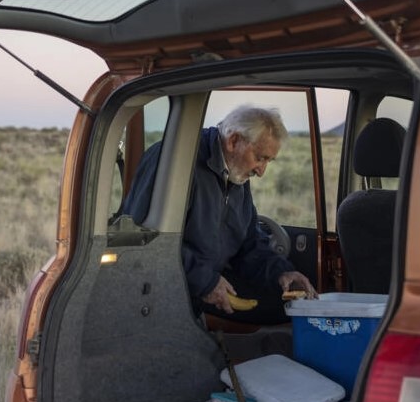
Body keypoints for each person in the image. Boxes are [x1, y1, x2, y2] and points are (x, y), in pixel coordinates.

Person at [121, 105, 317, 324]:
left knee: (283, 308)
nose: (261, 172)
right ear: (233, 141)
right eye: (260, 158)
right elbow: (144, 241)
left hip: (208, 278)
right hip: (165, 289)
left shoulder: (236, 175)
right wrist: (205, 282)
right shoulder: (173, 161)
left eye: (268, 161)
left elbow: (250, 244)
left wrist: (282, 272)